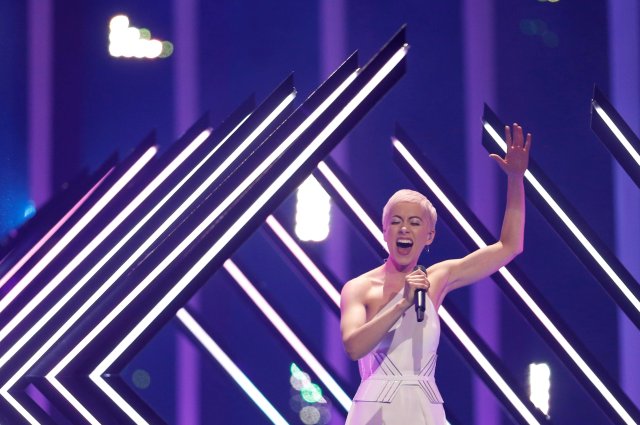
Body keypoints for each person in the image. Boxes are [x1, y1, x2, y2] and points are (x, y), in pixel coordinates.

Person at [340, 123, 531, 424]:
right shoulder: (359, 288)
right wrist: (401, 304)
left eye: (415, 223)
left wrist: (516, 179)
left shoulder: (437, 279)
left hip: (425, 408)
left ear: (429, 236)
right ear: (385, 231)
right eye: (396, 222)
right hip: (373, 411)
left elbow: (509, 246)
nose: (404, 228)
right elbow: (354, 347)